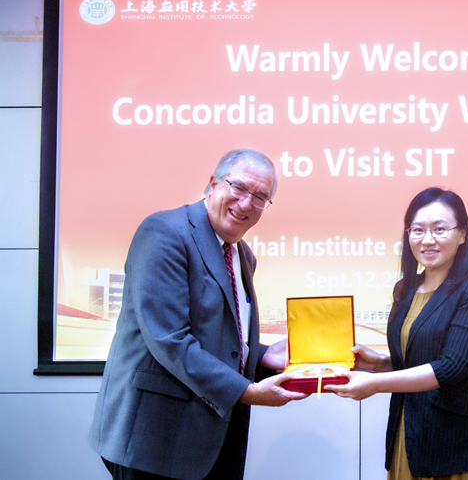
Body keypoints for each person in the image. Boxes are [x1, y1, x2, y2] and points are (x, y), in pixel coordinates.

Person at [89, 149, 306, 480]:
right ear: (213, 184)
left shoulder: (243, 255)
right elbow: (169, 339)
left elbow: (218, 335)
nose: (246, 203)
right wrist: (246, 392)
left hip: (211, 436)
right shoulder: (165, 232)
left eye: (260, 197)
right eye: (239, 187)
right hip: (155, 438)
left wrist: (263, 355)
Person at [327, 187, 468, 479]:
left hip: (455, 446)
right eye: (418, 230)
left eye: (439, 229)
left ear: (462, 234)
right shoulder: (405, 289)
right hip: (408, 434)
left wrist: (376, 384)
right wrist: (382, 364)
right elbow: (420, 358)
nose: (427, 239)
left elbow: (452, 367)